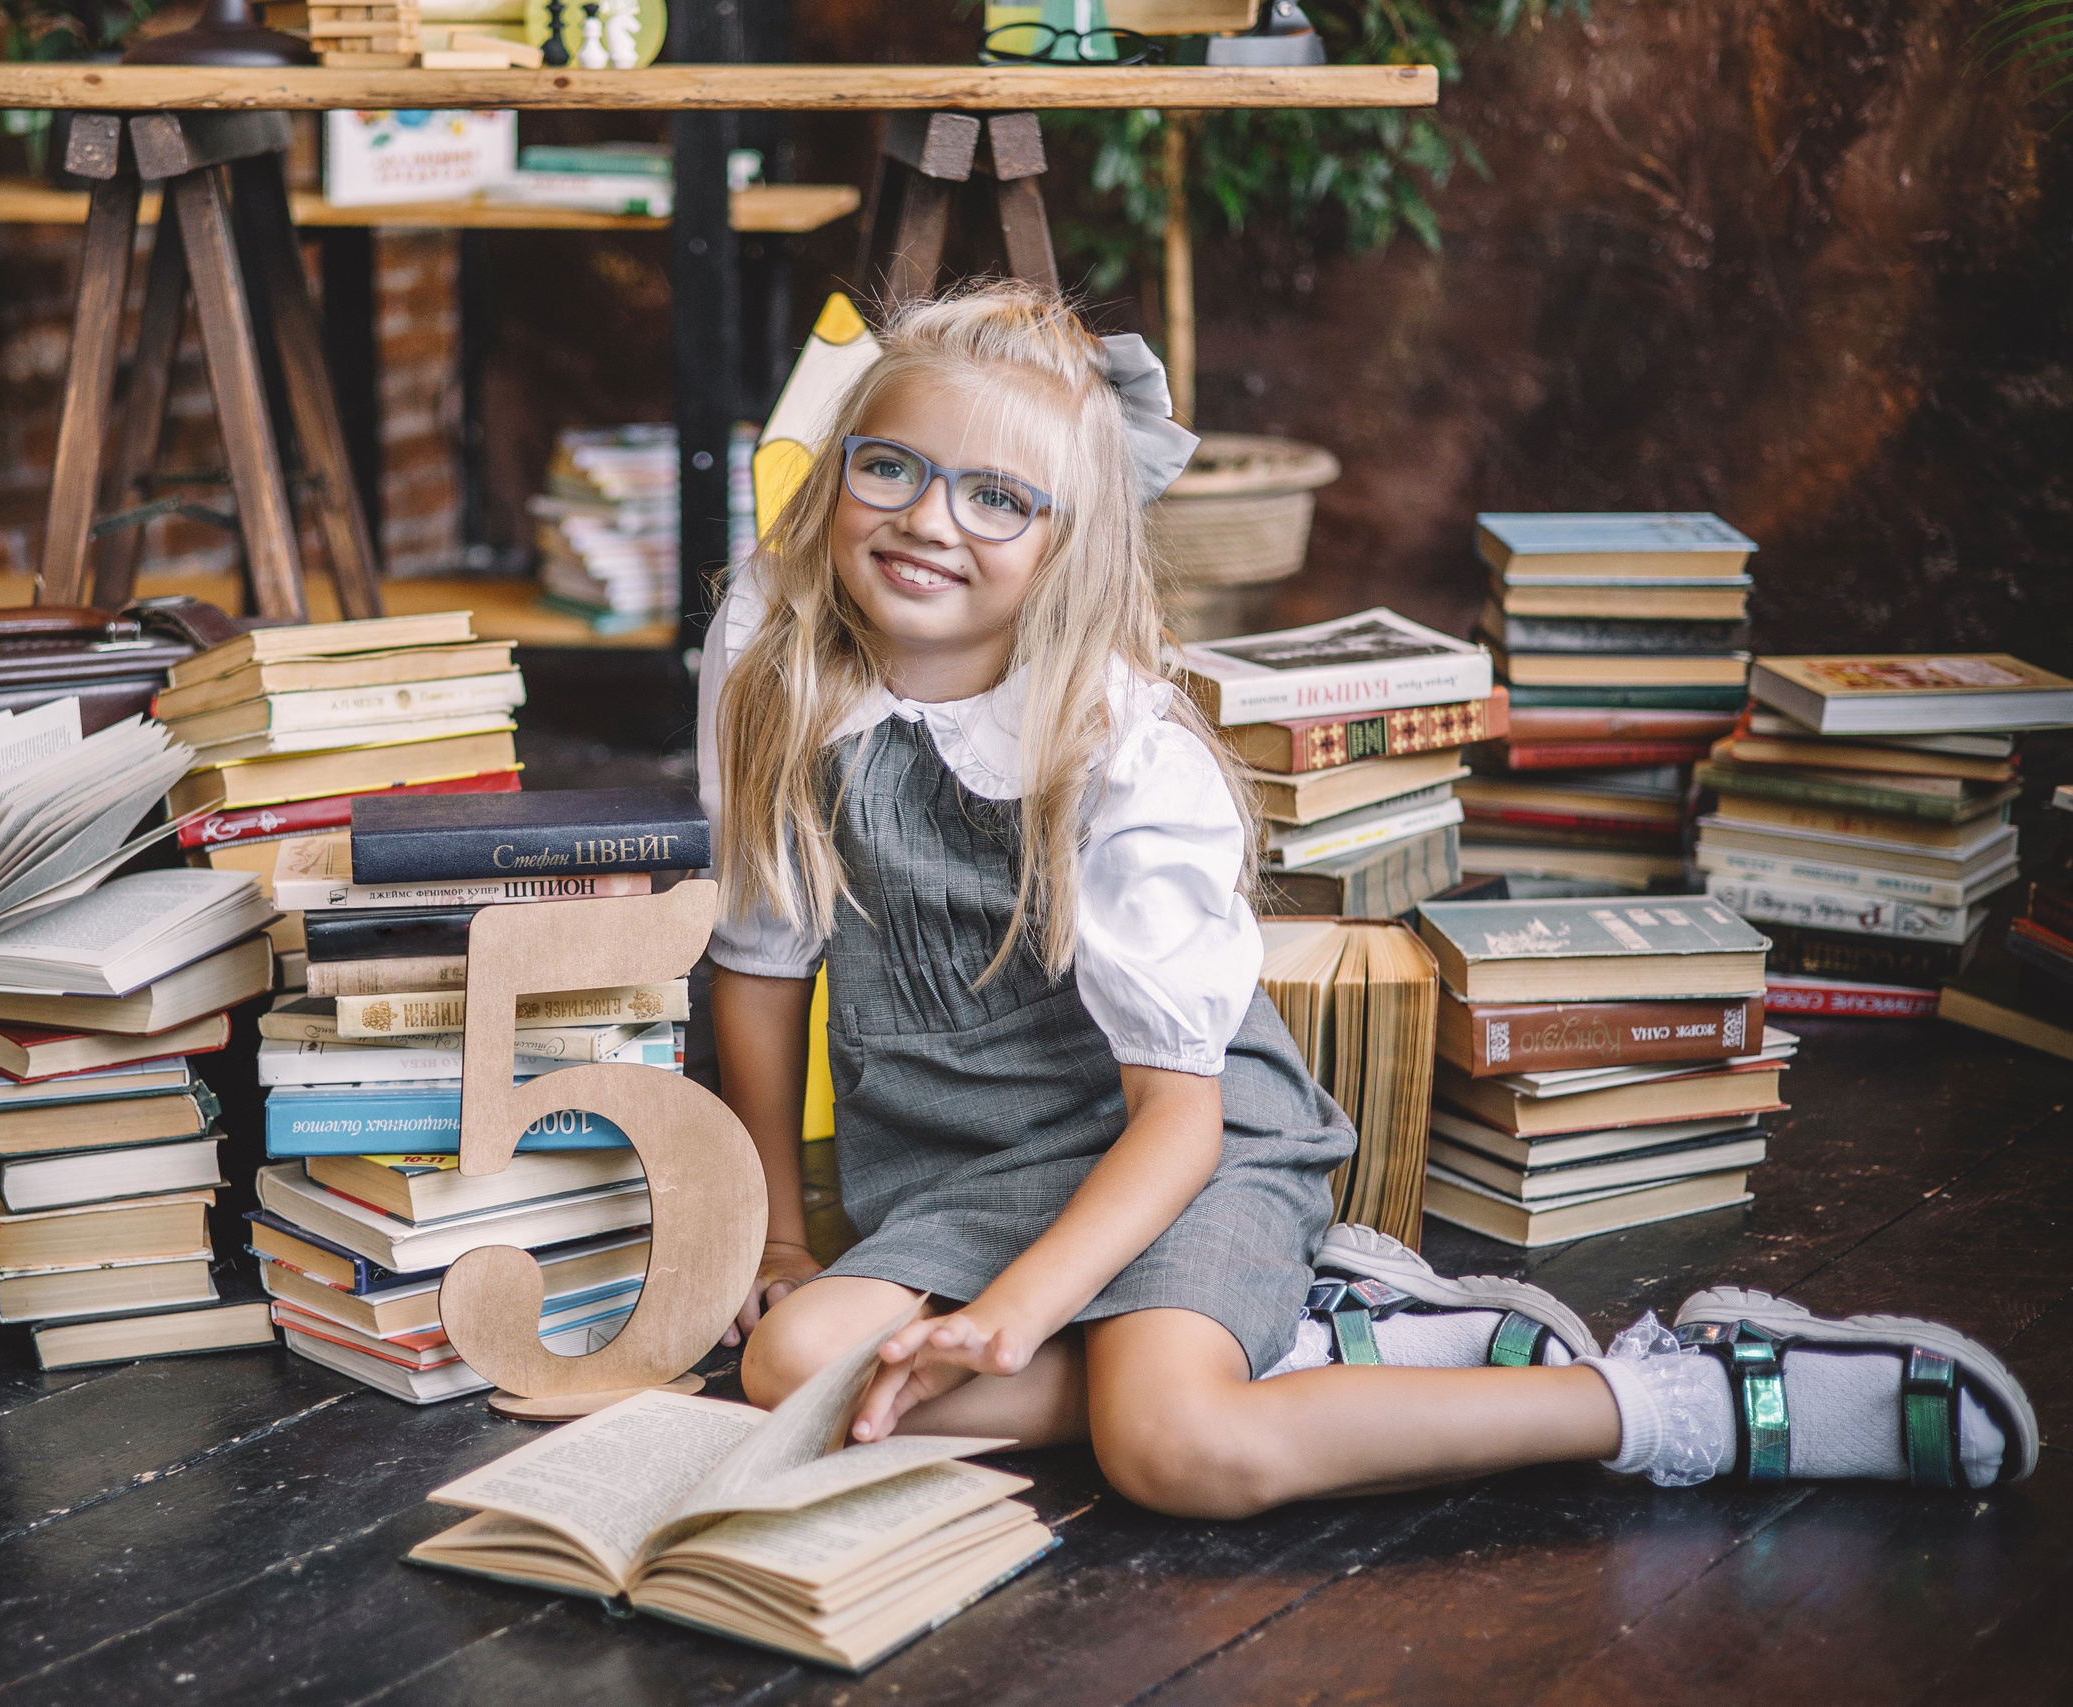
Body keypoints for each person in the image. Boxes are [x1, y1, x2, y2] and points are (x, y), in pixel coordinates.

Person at [695, 281, 2036, 1516]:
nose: (929, 520)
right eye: (892, 469)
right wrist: (781, 1238)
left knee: (1179, 1453)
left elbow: (1179, 1118)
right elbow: (763, 963)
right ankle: (1313, 1342)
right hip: (955, 1168)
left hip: (1165, 1145)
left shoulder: (1118, 748)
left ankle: (1682, 1397)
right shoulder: (774, 657)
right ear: (838, 478)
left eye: (999, 498)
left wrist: (1020, 1313)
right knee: (793, 1363)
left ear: (1066, 550)